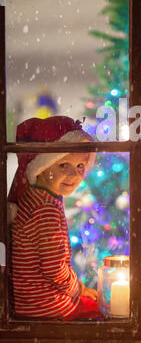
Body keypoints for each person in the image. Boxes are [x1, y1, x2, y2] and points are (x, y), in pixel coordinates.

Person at [8, 116, 103, 321]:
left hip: (30, 300)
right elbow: (54, 268)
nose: (74, 174)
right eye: (63, 165)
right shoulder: (45, 209)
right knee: (99, 311)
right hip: (46, 305)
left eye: (80, 166)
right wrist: (78, 289)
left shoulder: (36, 196)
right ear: (41, 167)